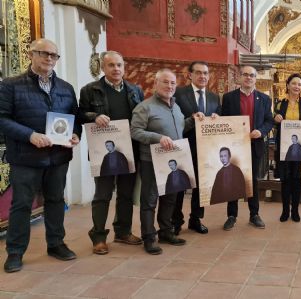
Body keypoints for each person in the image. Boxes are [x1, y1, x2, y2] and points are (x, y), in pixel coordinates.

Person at [0, 39, 81, 272]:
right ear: (31, 54)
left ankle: (56, 244)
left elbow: (74, 119)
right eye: (44, 53)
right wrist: (30, 135)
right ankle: (15, 252)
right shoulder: (10, 85)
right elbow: (2, 119)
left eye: (54, 55)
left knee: (55, 201)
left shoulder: (66, 88)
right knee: (22, 205)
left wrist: (75, 135)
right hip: (26, 157)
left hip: (57, 157)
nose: (49, 58)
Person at [131, 69, 203, 254]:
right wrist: (158, 137)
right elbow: (135, 131)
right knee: (150, 200)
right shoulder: (145, 107)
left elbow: (180, 127)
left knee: (170, 198)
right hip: (151, 160)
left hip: (173, 160)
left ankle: (165, 232)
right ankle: (149, 238)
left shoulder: (175, 106)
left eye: (172, 83)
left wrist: (192, 120)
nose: (169, 86)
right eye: (165, 82)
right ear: (156, 84)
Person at [79, 50, 144, 255]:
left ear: (124, 67)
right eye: (111, 65)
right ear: (103, 67)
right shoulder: (90, 90)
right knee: (102, 195)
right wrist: (94, 115)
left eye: (119, 65)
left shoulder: (135, 90)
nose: (116, 69)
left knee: (126, 194)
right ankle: (98, 237)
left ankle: (123, 231)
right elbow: (79, 113)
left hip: (128, 151)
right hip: (103, 153)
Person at [220, 65, 274, 230]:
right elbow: (223, 119)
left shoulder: (264, 99)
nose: (248, 78)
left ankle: (254, 214)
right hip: (235, 146)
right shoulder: (229, 98)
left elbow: (268, 121)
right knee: (233, 179)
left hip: (254, 145)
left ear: (255, 78)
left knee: (253, 181)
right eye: (245, 75)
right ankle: (231, 215)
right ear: (239, 77)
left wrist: (261, 131)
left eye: (252, 75)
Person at [172, 61, 220, 235]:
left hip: (206, 150)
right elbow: (174, 121)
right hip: (183, 147)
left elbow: (218, 121)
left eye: (206, 73)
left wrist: (216, 117)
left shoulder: (215, 97)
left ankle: (195, 219)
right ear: (190, 75)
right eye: (198, 73)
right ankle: (175, 221)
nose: (202, 76)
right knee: (179, 186)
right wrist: (191, 118)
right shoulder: (178, 93)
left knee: (201, 187)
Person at [274, 73, 301, 222]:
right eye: (294, 83)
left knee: (297, 180)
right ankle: (284, 211)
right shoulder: (280, 104)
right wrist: (275, 118)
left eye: (299, 84)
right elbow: (275, 121)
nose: (297, 87)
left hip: (299, 148)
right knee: (285, 179)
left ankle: (295, 210)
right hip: (284, 148)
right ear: (288, 85)